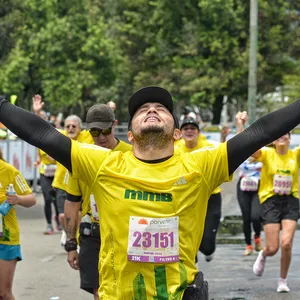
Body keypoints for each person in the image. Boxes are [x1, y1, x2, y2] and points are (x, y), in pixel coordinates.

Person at [0, 87, 300, 299]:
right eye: (142, 109)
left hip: (179, 295)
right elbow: (41, 134)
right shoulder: (102, 163)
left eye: (161, 109)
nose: (152, 109)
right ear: (129, 134)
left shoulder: (202, 165)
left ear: (177, 132)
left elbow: (260, 132)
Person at [64, 104, 132, 299]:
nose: (101, 137)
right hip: (92, 234)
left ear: (115, 125)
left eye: (106, 130)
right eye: (95, 132)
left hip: (123, 233)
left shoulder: (131, 154)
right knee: (99, 292)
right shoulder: (81, 159)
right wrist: (70, 245)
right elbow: (72, 202)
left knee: (124, 290)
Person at [252, 132, 300, 293]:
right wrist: (240, 124)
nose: (281, 137)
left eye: (285, 134)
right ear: (273, 139)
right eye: (278, 134)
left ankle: (282, 280)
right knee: (273, 248)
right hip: (271, 201)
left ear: (290, 138)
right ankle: (264, 254)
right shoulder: (267, 153)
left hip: (291, 201)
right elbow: (249, 148)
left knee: (286, 243)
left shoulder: (295, 154)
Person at [175, 117, 227, 262]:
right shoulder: (174, 148)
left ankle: (207, 249)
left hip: (211, 196)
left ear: (198, 132)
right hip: (186, 197)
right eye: (186, 129)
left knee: (207, 245)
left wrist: (224, 137)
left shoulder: (208, 146)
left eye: (193, 129)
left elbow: (224, 154)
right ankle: (191, 268)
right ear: (180, 132)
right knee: (186, 238)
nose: (189, 131)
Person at [52, 114, 93, 246]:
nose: (70, 128)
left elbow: (101, 126)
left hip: (80, 183)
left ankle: (76, 238)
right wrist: (37, 112)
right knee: (62, 216)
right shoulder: (59, 137)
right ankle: (67, 231)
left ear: (80, 128)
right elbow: (40, 128)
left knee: (79, 213)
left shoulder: (87, 136)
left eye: (74, 126)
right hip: (61, 183)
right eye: (68, 126)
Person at [0, 148, 36, 299]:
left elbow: (31, 198)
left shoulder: (9, 171)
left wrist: (18, 200)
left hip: (5, 239)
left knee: (3, 293)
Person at [235, 111, 263, 256]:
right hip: (243, 186)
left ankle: (257, 237)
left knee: (255, 216)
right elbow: (240, 141)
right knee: (246, 217)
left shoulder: (263, 151)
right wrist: (240, 123)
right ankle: (248, 245)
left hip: (259, 185)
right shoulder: (243, 150)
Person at [34, 149, 61, 234]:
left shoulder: (58, 142)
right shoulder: (40, 143)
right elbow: (40, 156)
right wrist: (38, 162)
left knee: (56, 199)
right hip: (44, 172)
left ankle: (58, 219)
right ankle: (49, 224)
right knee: (47, 198)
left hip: (57, 172)